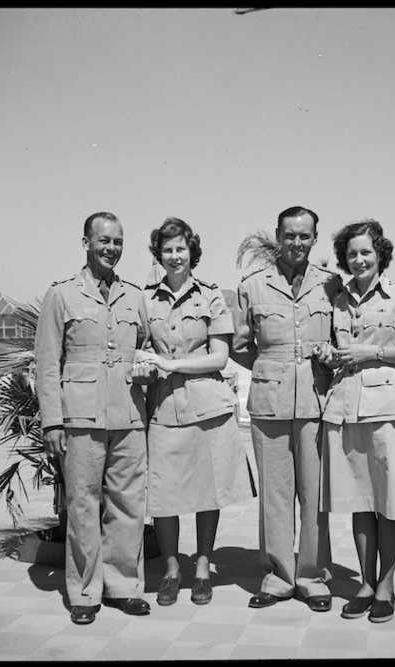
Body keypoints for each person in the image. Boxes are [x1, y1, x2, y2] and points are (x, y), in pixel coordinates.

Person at [34, 211, 152, 625]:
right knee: (82, 505)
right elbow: (47, 364)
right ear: (86, 243)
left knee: (128, 504)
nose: (112, 248)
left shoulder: (136, 296)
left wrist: (147, 367)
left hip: (129, 417)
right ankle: (85, 592)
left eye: (118, 241)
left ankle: (122, 586)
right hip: (80, 418)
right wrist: (52, 423)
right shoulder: (62, 295)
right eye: (104, 241)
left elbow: (149, 352)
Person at [315, 218, 395, 624]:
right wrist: (331, 355)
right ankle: (366, 582)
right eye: (352, 254)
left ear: (380, 254)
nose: (359, 259)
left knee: (389, 502)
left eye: (366, 251)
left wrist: (374, 354)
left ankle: (386, 586)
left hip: (385, 410)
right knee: (360, 502)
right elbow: (336, 350)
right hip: (345, 407)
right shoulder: (338, 299)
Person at [136, 217, 254, 607]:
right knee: (164, 497)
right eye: (167, 250)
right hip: (164, 408)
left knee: (208, 493)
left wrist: (174, 365)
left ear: (192, 253)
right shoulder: (145, 298)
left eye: (181, 249)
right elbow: (137, 346)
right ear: (159, 254)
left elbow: (220, 356)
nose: (174, 256)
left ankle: (202, 568)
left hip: (208, 407)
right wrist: (145, 361)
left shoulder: (212, 296)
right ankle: (172, 570)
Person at [231, 205, 342, 612]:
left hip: (316, 400)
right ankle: (279, 577)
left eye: (305, 236)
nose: (297, 243)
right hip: (269, 402)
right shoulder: (252, 285)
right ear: (278, 237)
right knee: (275, 496)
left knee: (314, 495)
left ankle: (312, 577)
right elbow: (241, 346)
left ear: (315, 238)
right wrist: (271, 367)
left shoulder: (332, 285)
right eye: (290, 235)